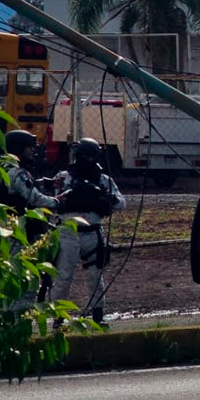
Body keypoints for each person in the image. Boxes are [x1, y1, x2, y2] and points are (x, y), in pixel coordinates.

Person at [52, 138, 124, 325]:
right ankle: (58, 317)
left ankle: (98, 315)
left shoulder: (103, 180)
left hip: (93, 232)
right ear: (77, 156)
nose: (89, 160)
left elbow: (121, 203)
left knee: (94, 276)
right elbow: (54, 201)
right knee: (64, 275)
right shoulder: (64, 177)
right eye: (85, 156)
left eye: (92, 156)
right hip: (68, 232)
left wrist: (104, 196)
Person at [0, 129, 59, 309]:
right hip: (22, 232)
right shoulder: (19, 172)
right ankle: (19, 320)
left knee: (12, 277)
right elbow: (35, 198)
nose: (33, 152)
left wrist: (45, 182)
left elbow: (18, 189)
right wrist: (57, 201)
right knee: (27, 280)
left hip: (7, 228)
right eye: (30, 148)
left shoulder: (1, 169)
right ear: (19, 149)